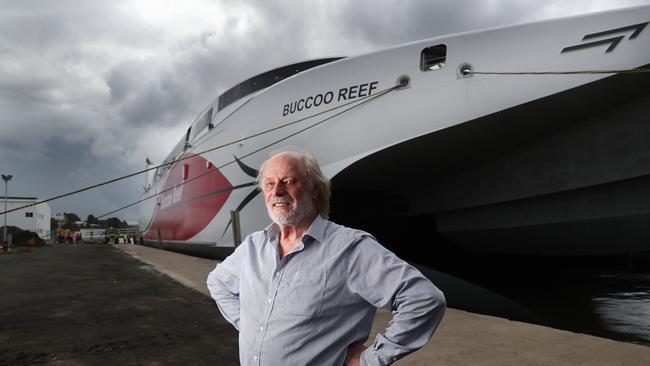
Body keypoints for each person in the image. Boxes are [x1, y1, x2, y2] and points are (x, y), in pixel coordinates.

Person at [207, 150, 446, 366]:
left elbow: (423, 299)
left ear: (314, 189)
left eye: (289, 181)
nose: (276, 191)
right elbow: (217, 283)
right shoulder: (253, 246)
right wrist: (248, 324)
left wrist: (371, 359)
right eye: (269, 184)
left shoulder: (350, 248)